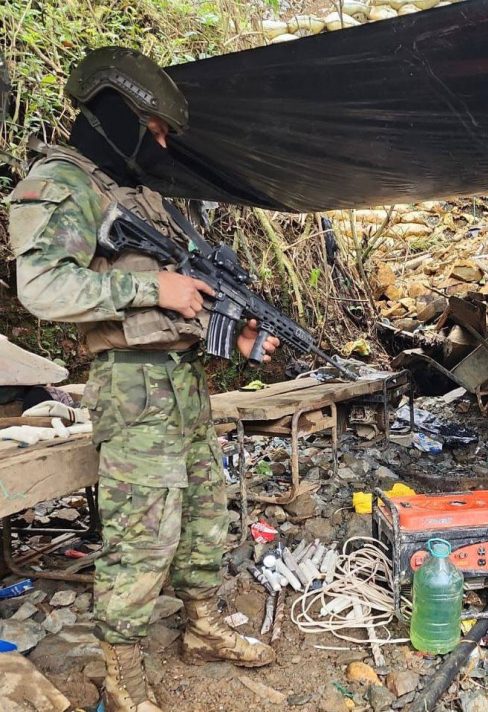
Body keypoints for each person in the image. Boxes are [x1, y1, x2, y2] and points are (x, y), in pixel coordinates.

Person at [8, 47, 279, 712]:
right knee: (142, 532)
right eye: (152, 126)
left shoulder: (143, 198)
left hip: (181, 381)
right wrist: (151, 283)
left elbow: (181, 302)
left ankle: (201, 626)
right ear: (113, 113)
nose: (159, 141)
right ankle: (123, 675)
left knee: (202, 513)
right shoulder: (61, 181)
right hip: (130, 387)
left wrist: (234, 334)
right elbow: (42, 286)